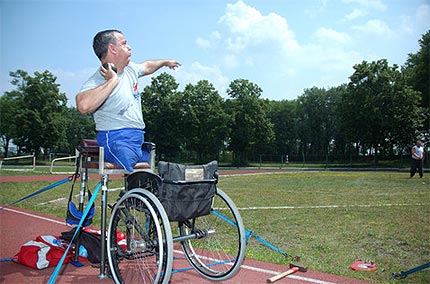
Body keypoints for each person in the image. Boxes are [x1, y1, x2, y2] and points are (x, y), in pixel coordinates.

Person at [76, 29, 181, 172]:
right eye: (124, 43)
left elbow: (148, 66)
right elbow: (83, 106)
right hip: (115, 140)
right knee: (138, 173)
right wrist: (113, 80)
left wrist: (165, 62)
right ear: (113, 49)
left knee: (148, 177)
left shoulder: (130, 69)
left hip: (137, 138)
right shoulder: (97, 80)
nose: (129, 47)